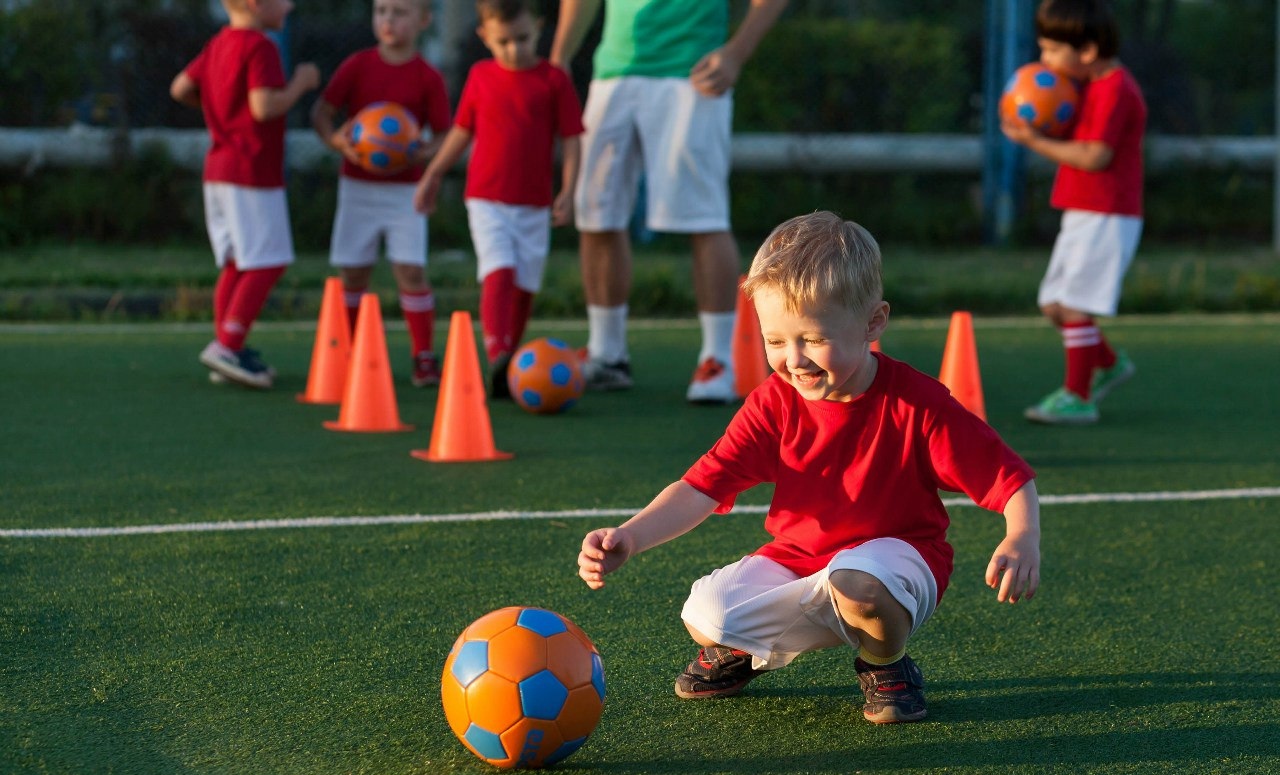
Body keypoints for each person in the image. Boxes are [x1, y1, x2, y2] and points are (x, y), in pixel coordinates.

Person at [575, 211, 1041, 723]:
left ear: (873, 322)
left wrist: (1021, 537)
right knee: (707, 614)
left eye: (814, 339)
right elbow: (700, 487)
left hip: (898, 566)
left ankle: (886, 664)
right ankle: (744, 650)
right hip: (800, 561)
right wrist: (631, 537)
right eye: (776, 341)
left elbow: (1008, 477)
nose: (794, 359)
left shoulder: (918, 404)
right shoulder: (774, 403)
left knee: (855, 581)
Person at [550, 0, 789, 404]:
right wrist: (557, 62)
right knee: (595, 215)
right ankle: (607, 355)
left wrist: (735, 53)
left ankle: (718, 360)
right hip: (612, 74)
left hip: (692, 75)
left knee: (704, 218)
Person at [415, 0, 583, 398]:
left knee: (524, 284)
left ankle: (508, 366)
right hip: (486, 198)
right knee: (498, 270)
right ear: (484, 37)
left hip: (534, 203)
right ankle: (499, 351)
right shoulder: (480, 76)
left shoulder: (553, 79)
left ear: (539, 29)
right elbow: (460, 131)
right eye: (503, 41)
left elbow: (572, 139)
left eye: (522, 39)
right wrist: (433, 173)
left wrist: (569, 189)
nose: (513, 49)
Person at [1002, 0, 1146, 425]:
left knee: (1076, 303)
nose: (1044, 59)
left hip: (1108, 212)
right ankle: (1108, 363)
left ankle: (1078, 396)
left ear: (1085, 52)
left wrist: (1031, 140)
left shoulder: (1115, 89)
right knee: (1053, 304)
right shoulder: (1087, 84)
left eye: (1050, 49)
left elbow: (1095, 156)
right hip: (1083, 211)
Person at [171, 0, 320, 389]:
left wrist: (218, 106)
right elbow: (263, 107)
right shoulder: (260, 46)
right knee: (268, 261)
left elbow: (181, 88)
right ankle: (227, 345)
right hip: (251, 171)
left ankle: (229, 349)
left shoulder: (219, 43)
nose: (289, 5)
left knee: (238, 261)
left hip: (218, 169)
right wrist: (300, 84)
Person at [311, 0, 452, 387]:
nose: (388, 20)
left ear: (423, 20)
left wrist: (424, 154)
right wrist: (338, 141)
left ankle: (423, 356)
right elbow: (322, 113)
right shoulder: (357, 65)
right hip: (357, 187)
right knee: (353, 273)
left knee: (410, 270)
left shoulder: (427, 77)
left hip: (406, 191)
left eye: (400, 12)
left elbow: (444, 134)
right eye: (381, 11)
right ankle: (350, 352)